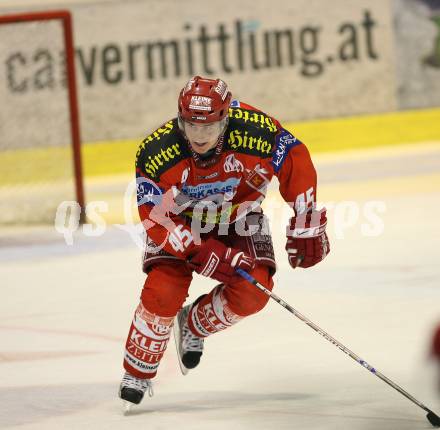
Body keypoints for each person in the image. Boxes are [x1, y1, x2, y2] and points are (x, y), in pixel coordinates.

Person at [119, 75, 330, 406]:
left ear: (224, 119)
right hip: (180, 221)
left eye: (209, 126)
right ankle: (137, 372)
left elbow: (296, 158)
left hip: (240, 218)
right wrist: (204, 251)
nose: (199, 135)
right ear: (180, 119)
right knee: (162, 292)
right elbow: (156, 218)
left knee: (253, 291)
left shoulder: (255, 130)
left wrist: (307, 218)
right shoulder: (156, 152)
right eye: (191, 125)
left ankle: (192, 323)